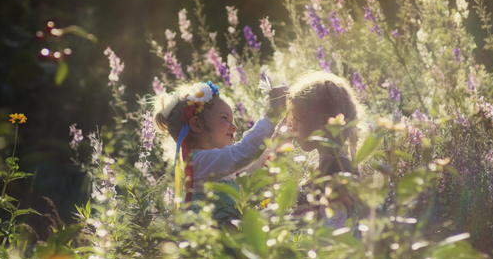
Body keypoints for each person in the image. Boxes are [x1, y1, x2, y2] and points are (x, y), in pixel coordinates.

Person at [154, 80, 287, 224]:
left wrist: (286, 128)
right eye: (225, 118)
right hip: (208, 240)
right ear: (197, 124)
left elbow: (258, 157)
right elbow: (245, 153)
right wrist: (272, 115)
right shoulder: (198, 162)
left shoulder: (217, 163)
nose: (234, 127)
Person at [286, 71, 365, 226]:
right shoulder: (329, 165)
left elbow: (332, 232)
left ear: (324, 121)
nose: (292, 126)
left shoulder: (338, 173)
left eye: (297, 119)